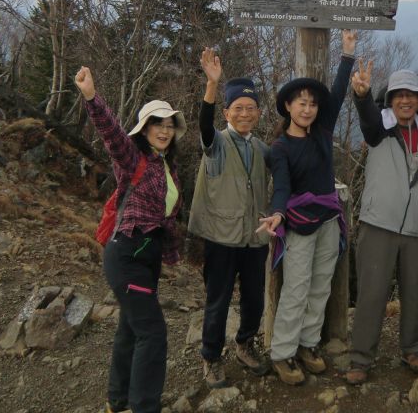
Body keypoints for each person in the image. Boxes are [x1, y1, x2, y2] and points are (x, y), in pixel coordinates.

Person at [74, 66, 185, 413]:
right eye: (158, 124)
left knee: (131, 328)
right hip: (127, 255)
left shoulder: (167, 168)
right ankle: (143, 407)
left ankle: (117, 401)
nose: (165, 131)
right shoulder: (132, 158)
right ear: (145, 129)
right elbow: (111, 133)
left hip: (146, 257)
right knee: (153, 332)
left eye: (169, 126)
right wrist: (92, 97)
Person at [256, 29, 358, 386]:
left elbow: (339, 94)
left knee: (320, 287)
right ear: (287, 106)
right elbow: (282, 186)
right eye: (300, 102)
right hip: (299, 224)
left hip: (329, 219)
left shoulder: (322, 132)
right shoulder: (280, 148)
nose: (308, 108)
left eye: (312, 103)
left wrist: (347, 55)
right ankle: (283, 353)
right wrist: (279, 213)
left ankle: (307, 344)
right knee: (296, 289)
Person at [345, 65, 418, 384]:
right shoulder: (381, 125)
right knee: (372, 293)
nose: (405, 100)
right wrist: (361, 94)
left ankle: (412, 349)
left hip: (417, 225)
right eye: (399, 95)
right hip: (379, 223)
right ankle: (360, 358)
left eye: (411, 95)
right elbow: (367, 118)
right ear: (389, 99)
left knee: (414, 291)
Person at [188, 49, 271, 388]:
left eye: (251, 108)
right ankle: (211, 357)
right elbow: (203, 126)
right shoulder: (217, 144)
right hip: (221, 238)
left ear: (259, 113)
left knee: (254, 297)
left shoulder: (264, 149)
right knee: (218, 299)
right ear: (227, 112)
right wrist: (212, 84)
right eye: (238, 108)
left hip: (254, 237)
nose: (245, 114)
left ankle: (245, 343)